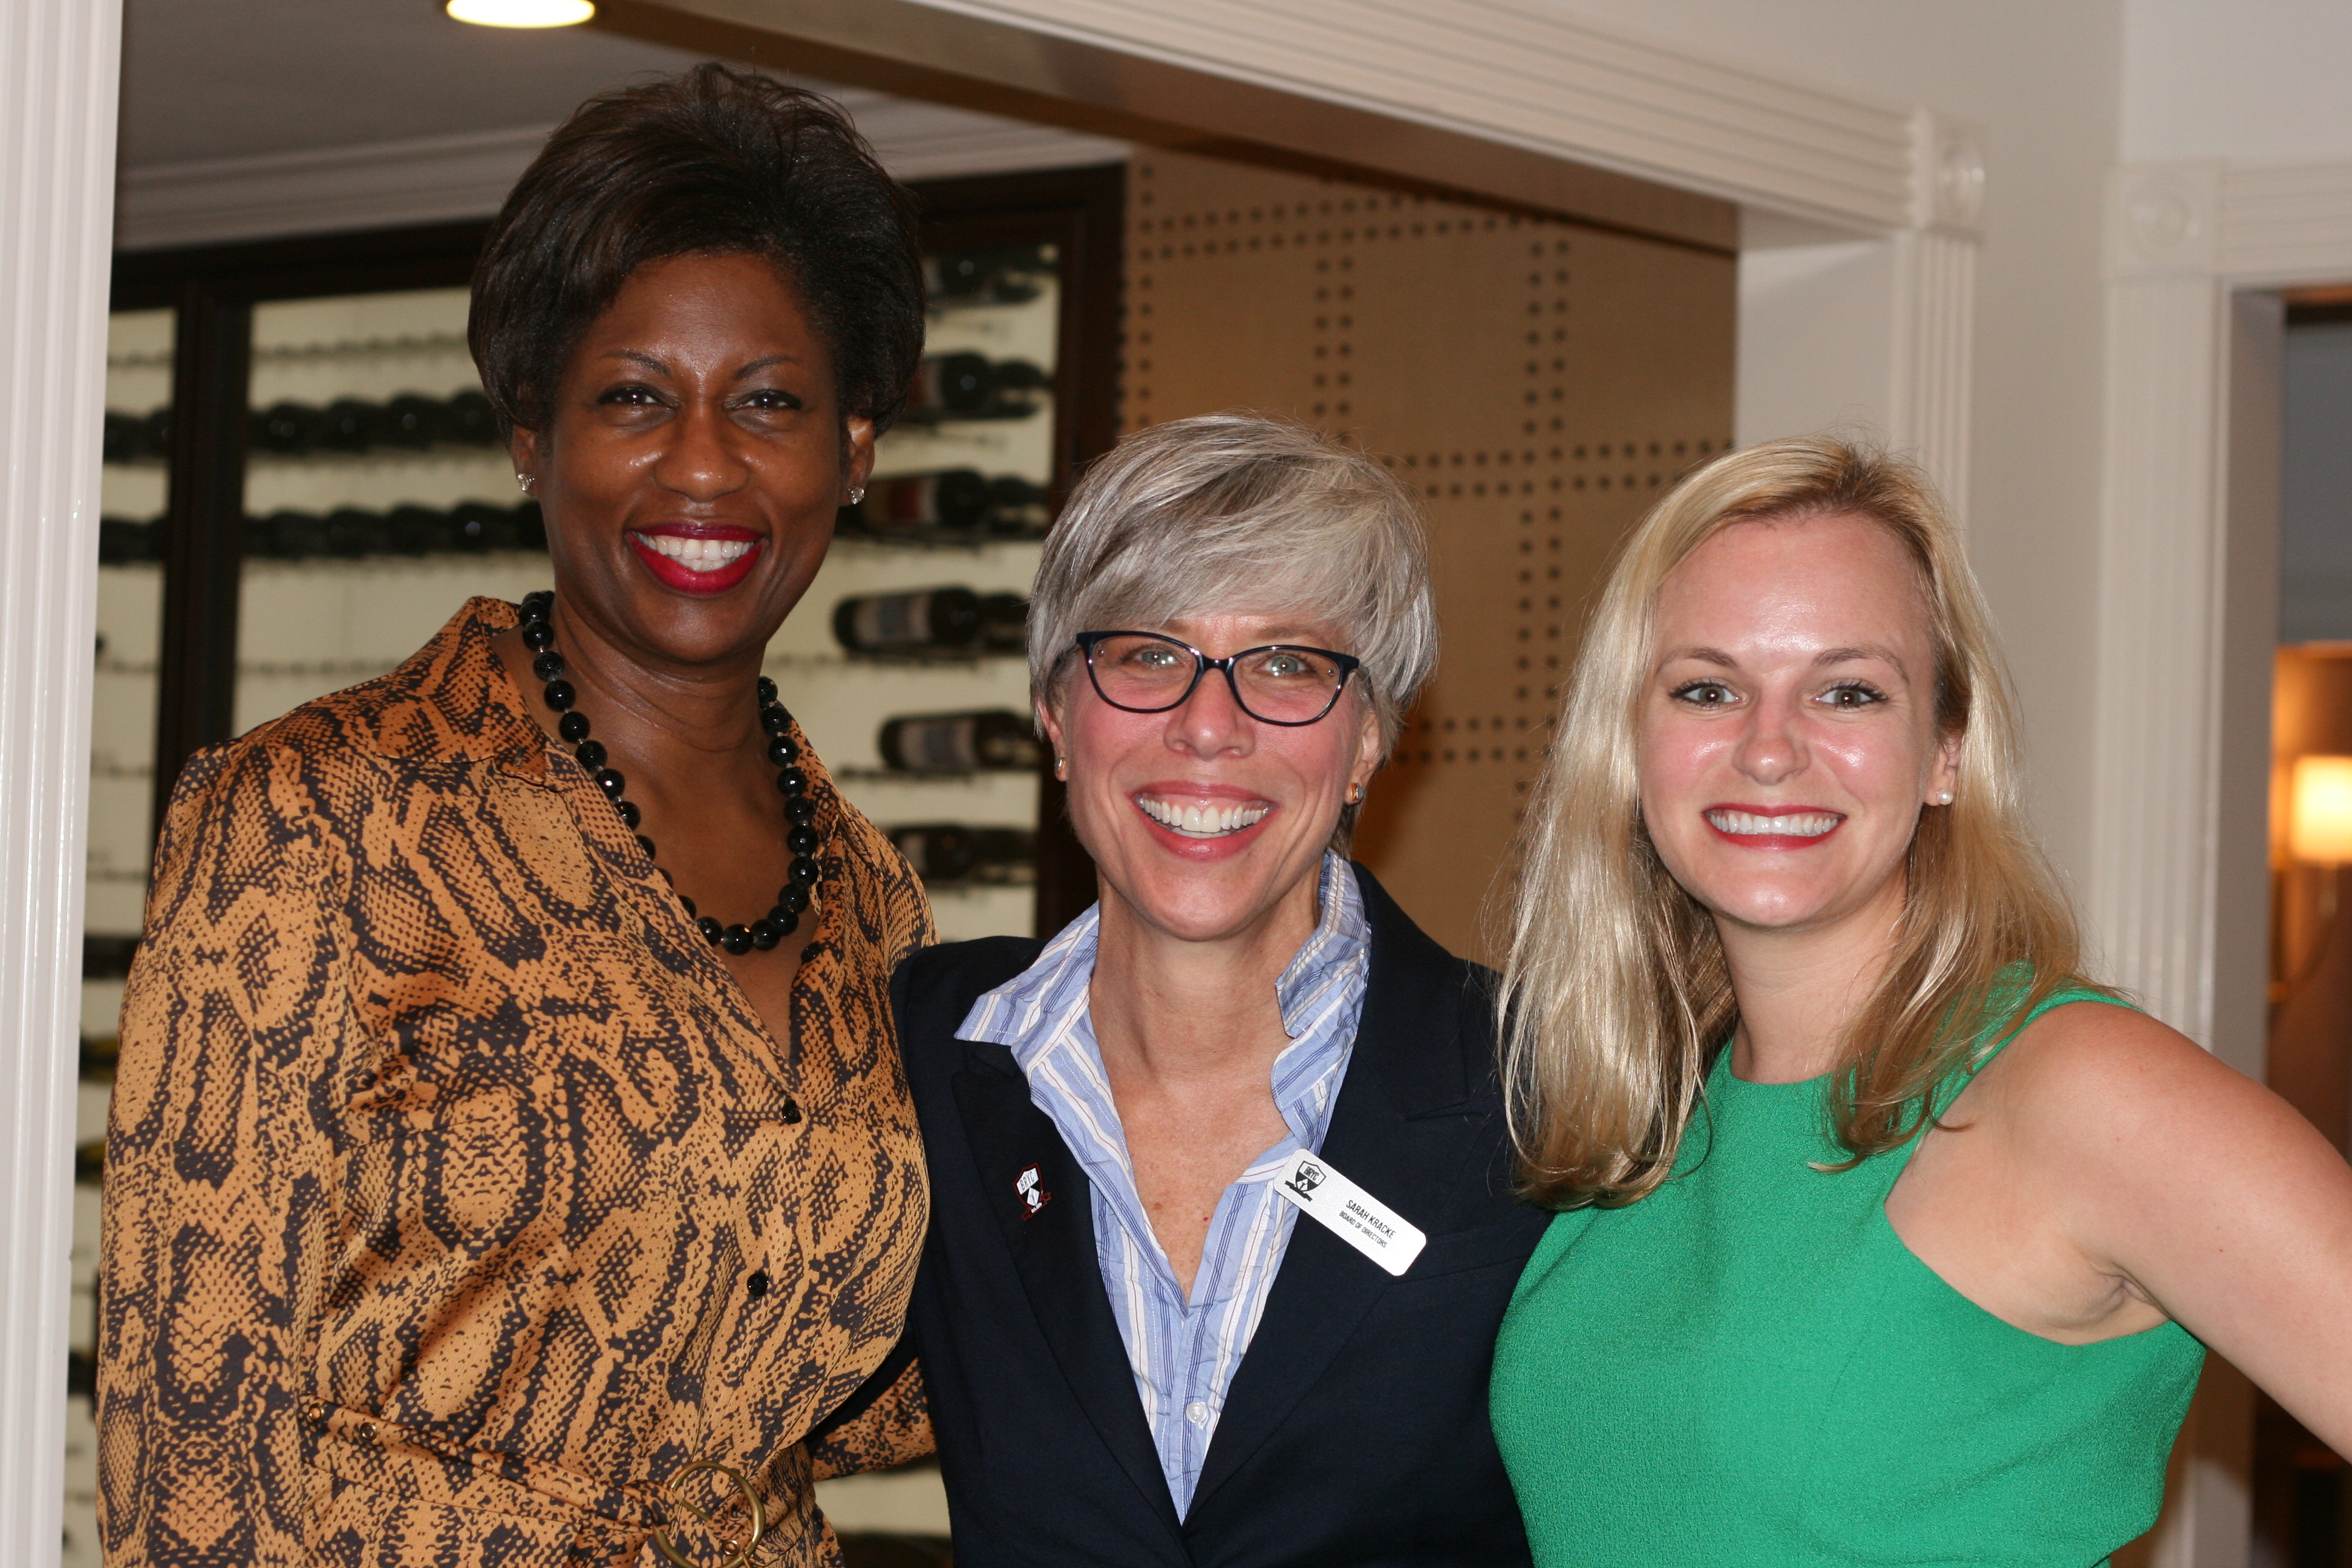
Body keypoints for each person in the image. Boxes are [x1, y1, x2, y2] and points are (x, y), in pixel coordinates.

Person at [97, 67, 936, 1566]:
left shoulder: (874, 904)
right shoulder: (315, 822)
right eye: (633, 398)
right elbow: (192, 1446)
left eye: (769, 402)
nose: (703, 462)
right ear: (531, 437)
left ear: (854, 448)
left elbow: (862, 1399)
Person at [1488, 436, 2352, 1566]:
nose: (1768, 749)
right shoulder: (1649, 1108)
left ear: (1946, 750)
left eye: (1848, 691)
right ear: (1633, 743)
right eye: (1708, 689)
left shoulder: (2082, 1090)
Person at [889, 413, 1549, 1566]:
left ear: (1368, 740)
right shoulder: (919, 1055)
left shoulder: (1546, 1089)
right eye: (1149, 655)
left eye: (1287, 665)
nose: (1208, 726)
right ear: (1055, 714)